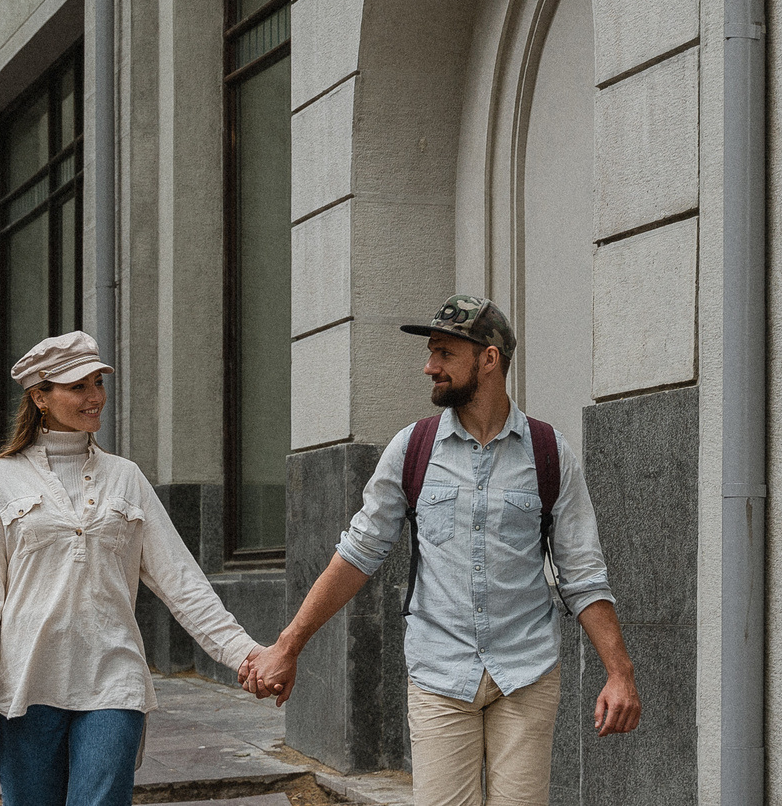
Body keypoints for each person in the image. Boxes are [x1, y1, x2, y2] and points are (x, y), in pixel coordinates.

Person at [241, 296, 640, 806]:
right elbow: (359, 553)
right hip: (440, 674)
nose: (428, 366)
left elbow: (583, 572)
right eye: (431, 352)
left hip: (526, 673)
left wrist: (619, 672)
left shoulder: (548, 453)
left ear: (488, 359)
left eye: (444, 353)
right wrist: (288, 646)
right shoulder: (412, 449)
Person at [0, 331, 269, 806]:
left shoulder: (125, 476)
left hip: (113, 678)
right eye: (77, 386)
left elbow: (180, 579)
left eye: (97, 382)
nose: (94, 396)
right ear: (40, 396)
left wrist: (243, 653)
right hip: (25, 684)